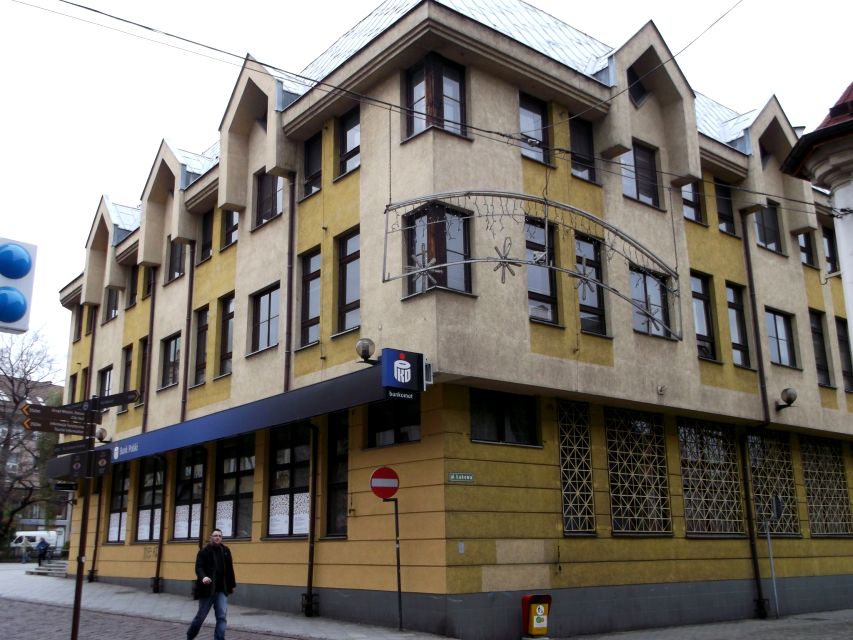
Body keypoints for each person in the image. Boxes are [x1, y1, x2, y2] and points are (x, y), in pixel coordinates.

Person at [187, 528, 236, 640]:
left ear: (221, 538)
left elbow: (230, 569)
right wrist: (203, 577)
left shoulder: (226, 551)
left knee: (222, 617)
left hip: (221, 590)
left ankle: (219, 638)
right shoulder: (204, 552)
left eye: (219, 536)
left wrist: (231, 585)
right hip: (207, 590)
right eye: (215, 536)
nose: (217, 538)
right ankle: (190, 636)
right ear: (211, 538)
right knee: (201, 617)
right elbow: (199, 567)